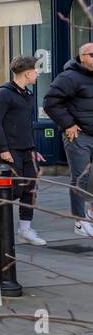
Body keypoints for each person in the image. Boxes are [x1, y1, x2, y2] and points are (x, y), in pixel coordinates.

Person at [0, 56, 47, 246]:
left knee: (31, 189)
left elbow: (25, 125)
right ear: (27, 73)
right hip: (11, 150)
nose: (38, 73)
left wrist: (33, 148)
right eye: (36, 70)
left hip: (27, 149)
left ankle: (25, 229)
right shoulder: (4, 94)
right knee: (13, 190)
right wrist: (3, 149)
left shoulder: (28, 95)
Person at [43, 42, 93, 237]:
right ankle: (79, 221)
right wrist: (68, 124)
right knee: (80, 178)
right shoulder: (69, 77)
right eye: (92, 54)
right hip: (79, 136)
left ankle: (90, 213)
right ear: (82, 57)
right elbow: (50, 102)